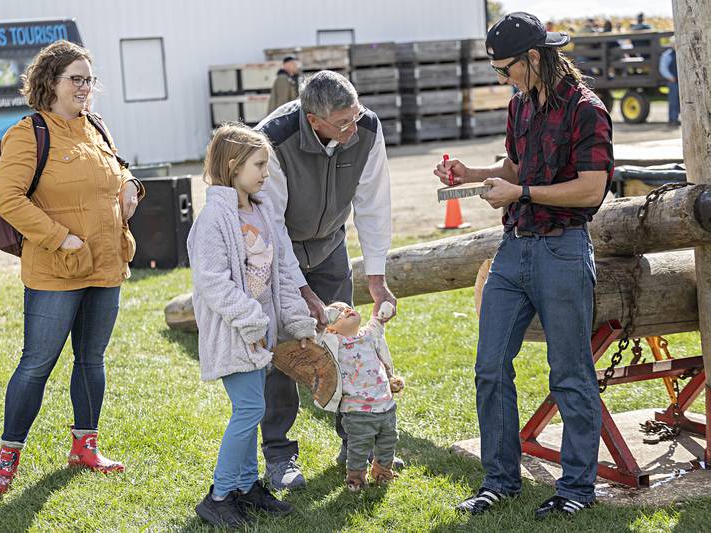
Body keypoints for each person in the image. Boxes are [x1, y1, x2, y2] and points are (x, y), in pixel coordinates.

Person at [436, 12, 613, 519]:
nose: (502, 79)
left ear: (534, 57)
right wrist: (471, 173)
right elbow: (513, 167)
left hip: (563, 248)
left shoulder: (587, 110)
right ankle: (500, 481)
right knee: (489, 366)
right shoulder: (520, 106)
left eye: (505, 69)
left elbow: (591, 188)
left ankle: (577, 490)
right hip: (513, 248)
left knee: (571, 374)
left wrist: (523, 192)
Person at [0, 40, 145, 495]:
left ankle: (84, 445)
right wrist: (60, 237)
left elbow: (116, 169)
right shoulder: (27, 133)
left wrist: (131, 185)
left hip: (106, 265)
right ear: (49, 81)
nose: (85, 88)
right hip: (56, 269)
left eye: (89, 79)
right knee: (37, 363)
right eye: (76, 78)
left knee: (91, 360)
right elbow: (7, 198)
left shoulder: (96, 126)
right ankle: (7, 458)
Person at [256, 70, 398, 490]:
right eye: (342, 123)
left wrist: (376, 278)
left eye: (355, 117)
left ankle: (353, 442)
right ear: (313, 119)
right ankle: (280, 455)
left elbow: (373, 206)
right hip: (279, 250)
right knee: (284, 352)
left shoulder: (367, 130)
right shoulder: (273, 140)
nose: (353, 129)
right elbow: (272, 225)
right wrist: (300, 290)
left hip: (330, 246)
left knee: (344, 345)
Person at [188, 123, 317, 527]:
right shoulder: (213, 219)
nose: (265, 173)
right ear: (232, 165)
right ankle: (220, 493)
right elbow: (212, 282)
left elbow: (279, 273)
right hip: (236, 333)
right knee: (249, 409)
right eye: (259, 164)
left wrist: (296, 322)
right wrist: (251, 321)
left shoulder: (260, 211)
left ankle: (246, 486)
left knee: (252, 407)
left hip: (261, 335)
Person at [321, 302, 403, 492]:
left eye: (347, 307)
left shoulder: (368, 335)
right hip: (357, 409)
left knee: (389, 441)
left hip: (386, 404)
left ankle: (383, 472)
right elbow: (316, 334)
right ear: (331, 329)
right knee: (358, 447)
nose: (346, 310)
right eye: (339, 312)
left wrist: (384, 309)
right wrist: (326, 317)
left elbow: (379, 320)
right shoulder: (334, 343)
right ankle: (356, 479)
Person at [659, 38, 680, 126]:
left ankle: (676, 118)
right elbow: (663, 68)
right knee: (673, 101)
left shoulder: (679, 53)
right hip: (673, 81)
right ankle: (672, 119)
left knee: (680, 102)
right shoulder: (667, 55)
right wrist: (671, 78)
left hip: (679, 82)